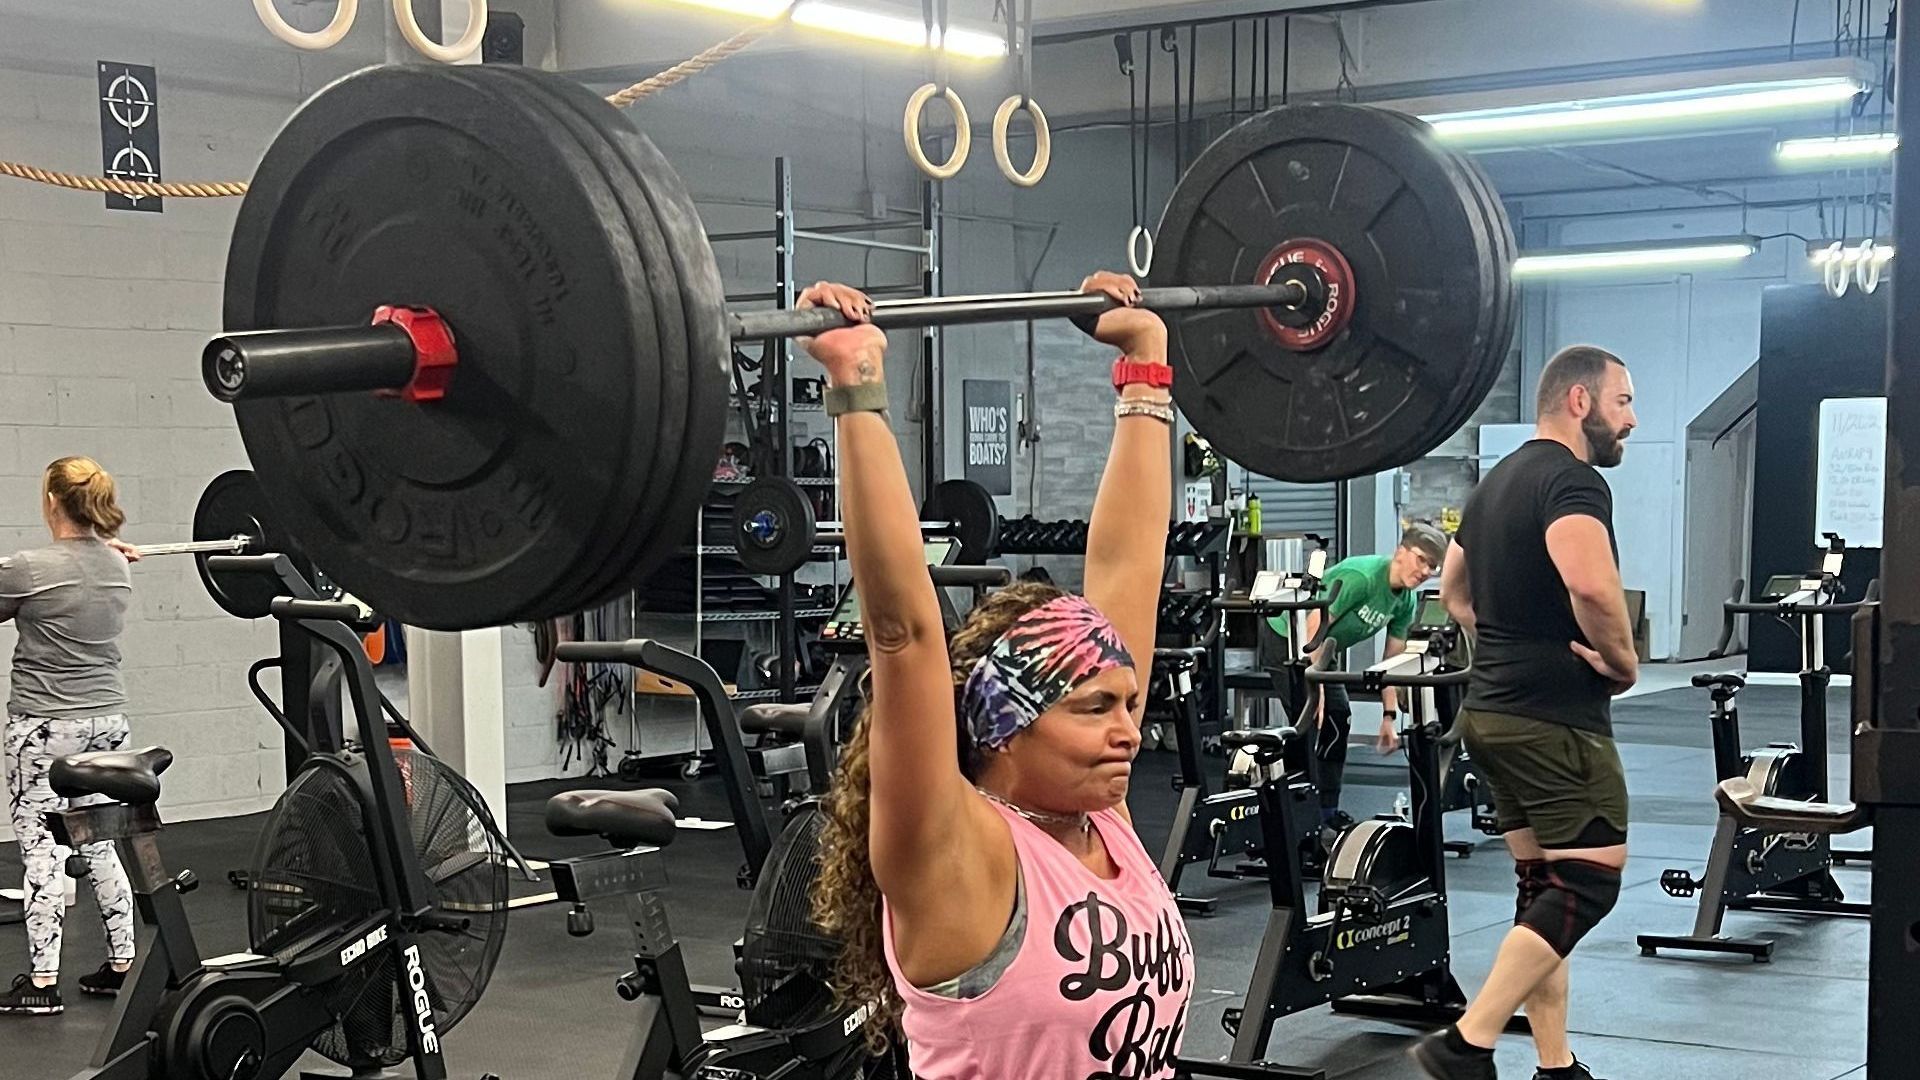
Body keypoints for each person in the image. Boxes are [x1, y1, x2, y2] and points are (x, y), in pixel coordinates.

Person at [810, 272, 1192, 1079]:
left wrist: (1147, 363)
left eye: (1128, 701)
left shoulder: (1102, 821)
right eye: (1094, 708)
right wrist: (857, 384)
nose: (1130, 728)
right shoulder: (953, 856)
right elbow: (904, 634)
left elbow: (1130, 559)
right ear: (1007, 724)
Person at [1416, 346, 1638, 1080]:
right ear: (1580, 401)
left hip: (1490, 711)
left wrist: (1505, 646)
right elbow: (1592, 585)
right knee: (1587, 884)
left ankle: (1555, 1064)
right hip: (1555, 720)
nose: (1630, 420)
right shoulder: (1569, 481)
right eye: (1623, 403)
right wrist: (1624, 663)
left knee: (1543, 890)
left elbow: (1453, 590)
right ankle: (1467, 1042)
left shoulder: (1496, 483)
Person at [1, 457, 143, 1016]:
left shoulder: (29, 567)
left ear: (54, 502)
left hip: (45, 728)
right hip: (108, 724)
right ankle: (122, 963)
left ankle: (41, 982)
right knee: (98, 838)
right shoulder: (119, 565)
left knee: (39, 844)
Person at [1266, 524, 1449, 832]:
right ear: (1400, 553)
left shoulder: (1405, 601)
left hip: (1323, 649)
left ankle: (1326, 814)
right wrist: (1316, 691)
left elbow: (1391, 663)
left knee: (1338, 719)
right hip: (1287, 635)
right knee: (1308, 722)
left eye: (1433, 566)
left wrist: (1389, 716)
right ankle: (1286, 820)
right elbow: (1312, 628)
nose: (1426, 571)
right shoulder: (1362, 577)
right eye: (1421, 559)